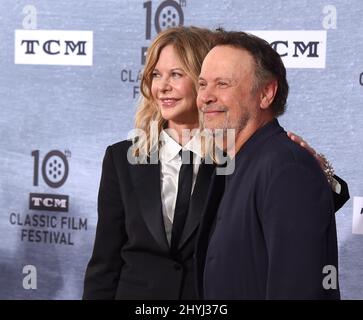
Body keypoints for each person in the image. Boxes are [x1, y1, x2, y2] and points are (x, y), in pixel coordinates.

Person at [83, 26, 348, 300]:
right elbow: (105, 264)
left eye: (176, 74)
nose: (162, 85)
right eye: (155, 74)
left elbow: (289, 208)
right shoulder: (123, 158)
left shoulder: (236, 155)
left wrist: (322, 175)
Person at [195, 30, 347, 299]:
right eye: (202, 84)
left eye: (222, 84)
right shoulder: (231, 166)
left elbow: (299, 289)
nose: (205, 96)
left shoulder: (288, 168)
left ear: (266, 93)